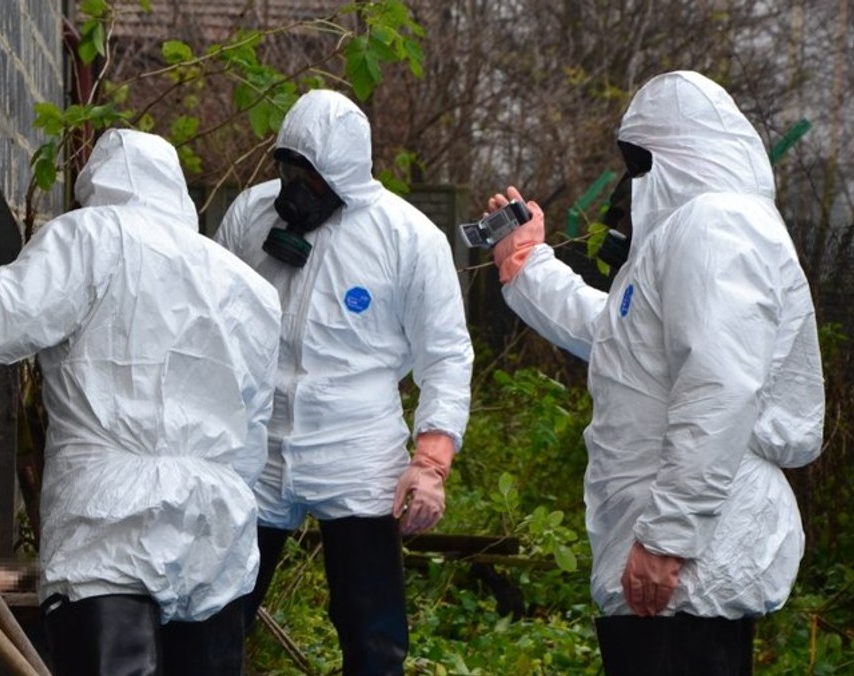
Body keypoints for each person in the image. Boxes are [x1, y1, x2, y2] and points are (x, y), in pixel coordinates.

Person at [485, 70, 824, 675]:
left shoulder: (716, 226)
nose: (632, 184)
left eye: (641, 163)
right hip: (678, 565)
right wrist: (528, 266)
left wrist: (670, 537)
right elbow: (620, 340)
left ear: (682, 155)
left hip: (692, 565)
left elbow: (720, 385)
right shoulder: (690, 235)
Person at [0, 129, 282, 675]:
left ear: (96, 184)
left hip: (108, 519)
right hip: (215, 527)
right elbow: (255, 432)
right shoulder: (249, 287)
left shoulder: (92, 235)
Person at [216, 89, 474, 674]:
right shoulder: (251, 215)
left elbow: (447, 355)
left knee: (371, 629)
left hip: (356, 451)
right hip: (256, 448)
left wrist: (431, 462)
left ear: (345, 178)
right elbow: (208, 317)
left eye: (312, 177)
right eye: (289, 169)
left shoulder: (406, 238)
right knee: (219, 609)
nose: (295, 187)